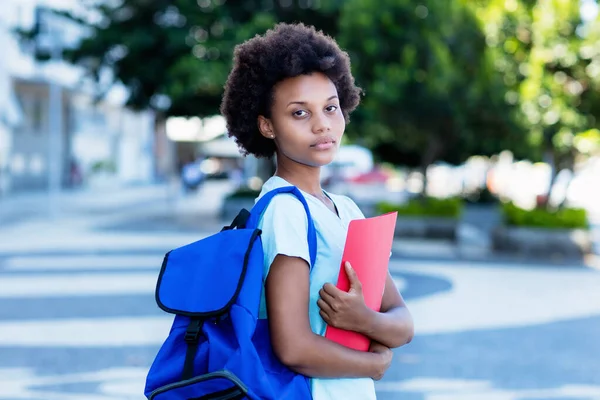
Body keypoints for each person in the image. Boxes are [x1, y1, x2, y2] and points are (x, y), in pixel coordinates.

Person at [220, 23, 414, 399]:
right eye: (299, 113)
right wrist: (372, 365)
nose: (322, 124)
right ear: (266, 125)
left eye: (330, 107)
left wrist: (363, 319)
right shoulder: (285, 210)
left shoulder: (347, 209)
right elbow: (293, 347)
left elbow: (403, 323)